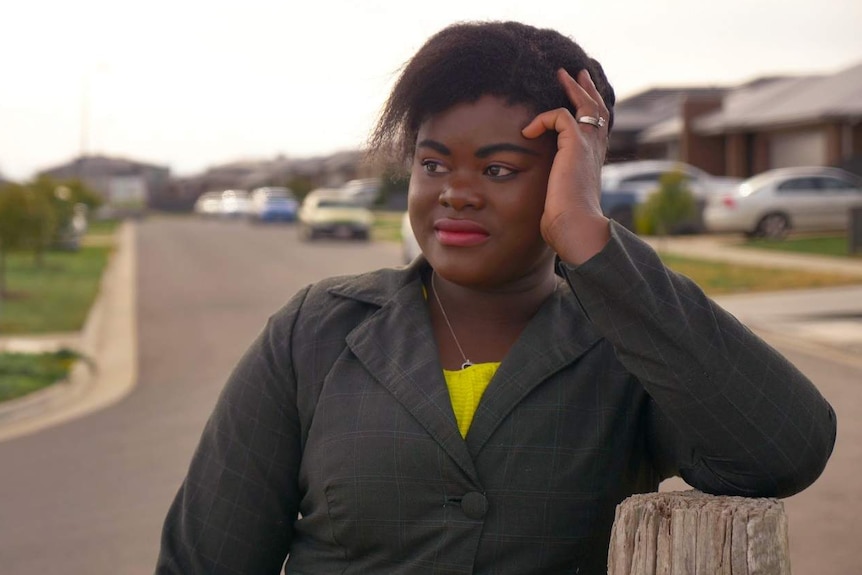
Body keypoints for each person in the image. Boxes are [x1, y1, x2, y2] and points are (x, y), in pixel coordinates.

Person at [157, 21, 836, 575]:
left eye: (498, 168)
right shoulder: (316, 333)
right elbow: (204, 559)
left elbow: (785, 449)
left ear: (568, 175)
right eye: (433, 163)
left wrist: (590, 238)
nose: (456, 190)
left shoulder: (627, 343)